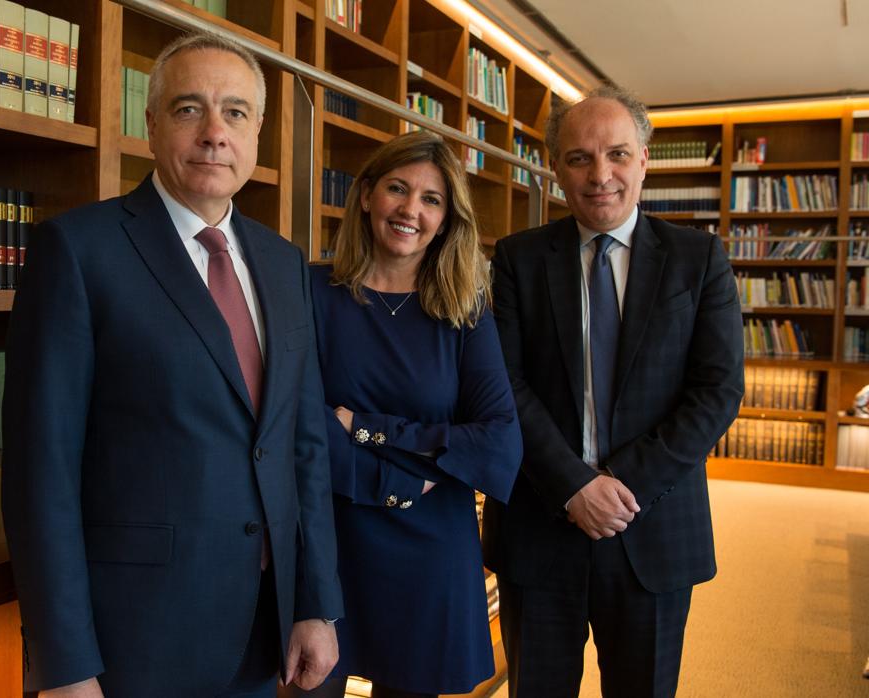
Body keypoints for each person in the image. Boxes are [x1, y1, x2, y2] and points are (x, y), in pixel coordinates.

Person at [1, 32, 342, 698]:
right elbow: (40, 472)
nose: (215, 132)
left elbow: (304, 447)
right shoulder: (77, 250)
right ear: (151, 124)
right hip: (131, 640)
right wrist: (64, 663)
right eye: (190, 109)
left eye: (236, 112)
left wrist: (315, 602)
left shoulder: (283, 263)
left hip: (259, 632)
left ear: (258, 132)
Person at [485, 85, 744, 698]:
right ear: (555, 167)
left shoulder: (698, 258)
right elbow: (503, 384)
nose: (600, 175)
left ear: (644, 159)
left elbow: (717, 389)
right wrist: (575, 486)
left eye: (618, 154)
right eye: (579, 158)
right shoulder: (518, 259)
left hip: (653, 526)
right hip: (540, 523)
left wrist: (621, 487)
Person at [282, 130, 522, 698]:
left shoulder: (465, 309)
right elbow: (297, 422)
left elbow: (497, 441)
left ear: (447, 218)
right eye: (397, 188)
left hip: (429, 551)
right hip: (326, 543)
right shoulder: (309, 290)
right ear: (366, 194)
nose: (411, 209)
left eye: (431, 199)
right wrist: (400, 480)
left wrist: (366, 427)